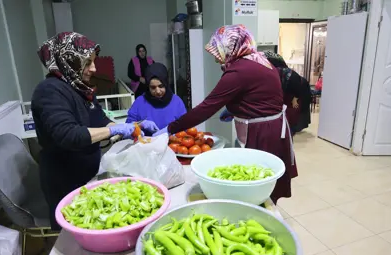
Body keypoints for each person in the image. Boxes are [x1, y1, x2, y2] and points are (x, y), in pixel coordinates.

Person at [154, 25, 297, 203]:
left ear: (231, 47)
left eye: (218, 51)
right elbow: (260, 94)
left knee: (257, 180)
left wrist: (170, 128)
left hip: (263, 132)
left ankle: (259, 210)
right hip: (273, 127)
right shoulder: (259, 59)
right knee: (260, 178)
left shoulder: (239, 71)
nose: (215, 58)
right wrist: (235, 108)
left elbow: (206, 107)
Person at [31, 32, 156, 230]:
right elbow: (69, 135)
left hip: (88, 174)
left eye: (93, 62)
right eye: (87, 63)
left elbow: (101, 121)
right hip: (65, 180)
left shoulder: (81, 89)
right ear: (69, 60)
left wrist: (134, 126)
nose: (94, 68)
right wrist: (119, 129)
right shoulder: (49, 91)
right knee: (74, 237)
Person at [126, 63, 186, 134]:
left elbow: (185, 127)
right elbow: (128, 126)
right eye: (153, 87)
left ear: (166, 84)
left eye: (161, 86)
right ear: (148, 86)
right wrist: (140, 125)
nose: (157, 91)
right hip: (146, 143)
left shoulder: (176, 102)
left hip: (172, 143)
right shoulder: (139, 102)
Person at [264, 51, 311, 135]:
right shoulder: (278, 70)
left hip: (298, 90)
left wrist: (295, 98)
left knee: (293, 111)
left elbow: (296, 83)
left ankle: (291, 130)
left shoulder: (285, 72)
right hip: (292, 90)